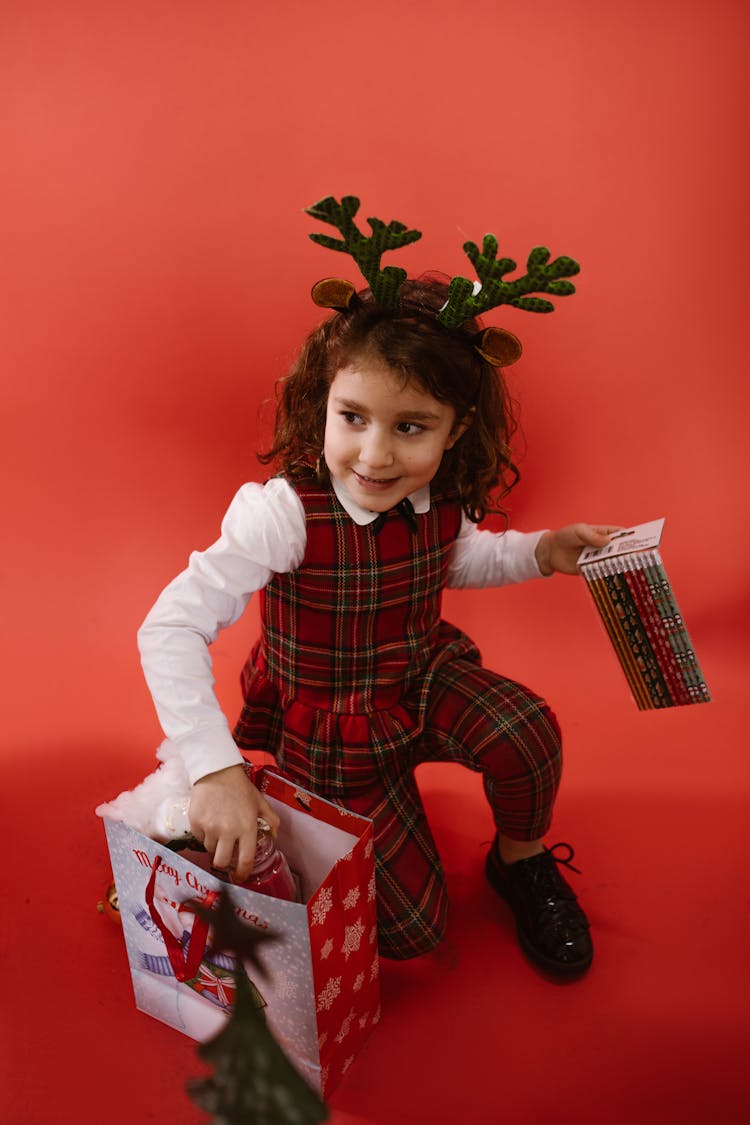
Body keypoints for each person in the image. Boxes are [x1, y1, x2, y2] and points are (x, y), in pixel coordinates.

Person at [138, 216, 620, 978]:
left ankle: (519, 861)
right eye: (353, 418)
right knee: (412, 932)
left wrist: (543, 550)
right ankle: (274, 801)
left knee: (527, 731)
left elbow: (464, 560)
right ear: (322, 400)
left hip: (419, 679)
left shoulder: (440, 498)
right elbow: (168, 625)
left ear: (456, 429)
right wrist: (212, 768)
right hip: (335, 720)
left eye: (411, 427)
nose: (376, 453)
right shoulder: (284, 513)